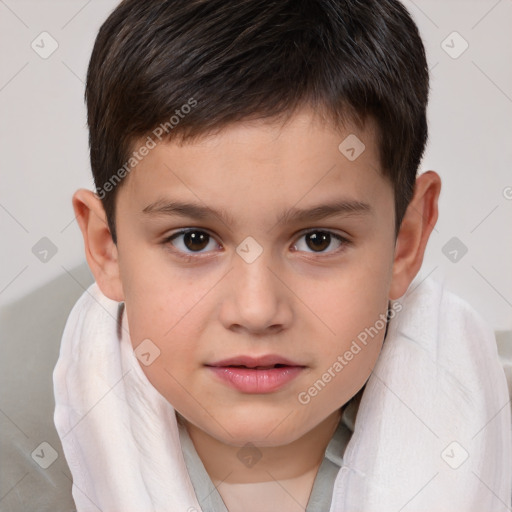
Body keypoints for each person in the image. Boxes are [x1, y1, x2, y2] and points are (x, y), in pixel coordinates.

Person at [53, 1, 511, 510]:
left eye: (318, 240)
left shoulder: (498, 420)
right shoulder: (21, 447)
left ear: (407, 241)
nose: (256, 310)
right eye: (194, 240)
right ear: (104, 247)